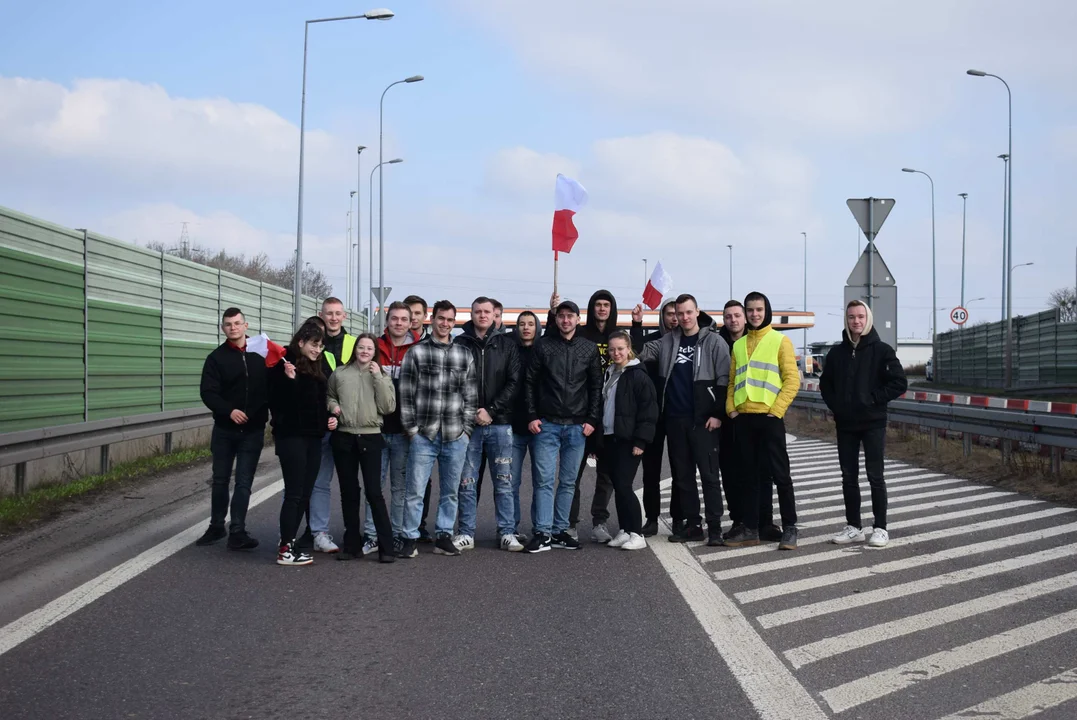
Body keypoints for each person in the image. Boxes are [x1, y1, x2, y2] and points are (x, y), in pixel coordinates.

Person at [635, 294, 729, 545]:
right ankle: (693, 525)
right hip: (675, 419)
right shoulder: (666, 341)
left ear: (697, 311)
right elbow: (639, 352)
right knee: (683, 477)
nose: (684, 317)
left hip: (704, 421)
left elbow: (724, 379)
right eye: (680, 313)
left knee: (709, 476)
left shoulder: (715, 342)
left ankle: (716, 528)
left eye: (689, 312)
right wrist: (636, 325)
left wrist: (717, 414)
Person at [820, 300, 907, 548]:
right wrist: (837, 406)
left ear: (867, 318)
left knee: (875, 476)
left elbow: (899, 382)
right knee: (848, 476)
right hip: (845, 424)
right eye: (851, 317)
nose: (856, 321)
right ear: (846, 320)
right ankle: (854, 527)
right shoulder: (837, 353)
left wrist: (872, 400)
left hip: (873, 423)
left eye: (860, 317)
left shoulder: (882, 351)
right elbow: (826, 385)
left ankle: (880, 528)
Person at [397, 300, 477, 559]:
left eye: (450, 320)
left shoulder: (464, 354)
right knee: (415, 490)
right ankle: (409, 537)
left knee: (451, 491)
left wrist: (466, 430)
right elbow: (406, 393)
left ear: (454, 323)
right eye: (441, 319)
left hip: (455, 434)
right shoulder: (417, 352)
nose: (445, 324)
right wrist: (411, 429)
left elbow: (470, 395)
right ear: (433, 319)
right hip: (424, 434)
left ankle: (444, 535)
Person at [525, 299, 603, 553]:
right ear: (556, 319)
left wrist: (592, 420)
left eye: (571, 316)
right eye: (562, 316)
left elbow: (595, 387)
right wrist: (532, 415)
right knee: (544, 481)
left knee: (569, 482)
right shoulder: (543, 346)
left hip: (577, 427)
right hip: (546, 424)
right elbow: (530, 383)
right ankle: (542, 532)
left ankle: (560, 531)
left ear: (578, 320)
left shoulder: (589, 349)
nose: (566, 320)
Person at [725, 291, 800, 550]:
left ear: (766, 310)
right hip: (744, 419)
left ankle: (790, 527)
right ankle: (751, 528)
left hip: (770, 419)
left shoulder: (780, 340)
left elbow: (792, 380)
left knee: (781, 476)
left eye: (759, 309)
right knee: (749, 477)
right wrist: (731, 409)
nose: (754, 314)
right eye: (750, 310)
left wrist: (776, 411)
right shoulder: (737, 345)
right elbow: (733, 381)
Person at [548, 289, 619, 541]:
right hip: (581, 414)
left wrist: (637, 324)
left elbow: (635, 354)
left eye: (606, 305)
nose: (602, 309)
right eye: (598, 304)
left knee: (606, 473)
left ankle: (599, 522)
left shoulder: (617, 336)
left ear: (611, 309)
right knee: (572, 474)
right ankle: (569, 523)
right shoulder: (581, 335)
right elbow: (554, 340)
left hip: (609, 413)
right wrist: (552, 312)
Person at [196, 307, 268, 550]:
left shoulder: (261, 354)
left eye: (237, 323)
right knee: (220, 479)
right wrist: (229, 410)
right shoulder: (216, 359)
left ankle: (237, 530)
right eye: (228, 324)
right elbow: (208, 392)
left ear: (246, 326)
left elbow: (273, 387)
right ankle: (216, 526)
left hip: (253, 430)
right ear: (222, 328)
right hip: (225, 430)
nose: (233, 327)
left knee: (244, 481)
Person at [455, 297, 522, 552]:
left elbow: (514, 382)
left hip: (500, 425)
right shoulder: (459, 343)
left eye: (487, 312)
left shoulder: (507, 344)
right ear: (471, 314)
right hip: (469, 426)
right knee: (467, 482)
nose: (482, 315)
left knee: (504, 481)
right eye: (477, 311)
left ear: (495, 315)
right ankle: (465, 533)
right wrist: (472, 412)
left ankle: (507, 532)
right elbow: (453, 382)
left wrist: (491, 411)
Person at [269, 321, 337, 566]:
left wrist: (330, 419)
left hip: (313, 439)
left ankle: (290, 542)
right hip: (291, 438)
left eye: (320, 345)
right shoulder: (283, 366)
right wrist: (289, 381)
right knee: (294, 493)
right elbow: (279, 405)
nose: (317, 349)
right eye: (313, 344)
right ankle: (285, 548)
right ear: (301, 342)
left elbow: (318, 405)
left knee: (305, 494)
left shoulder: (317, 370)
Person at [327, 333, 397, 562]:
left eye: (369, 348)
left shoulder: (382, 375)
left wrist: (378, 377)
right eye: (361, 347)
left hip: (371, 437)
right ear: (354, 349)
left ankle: (387, 548)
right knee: (348, 492)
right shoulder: (340, 373)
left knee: (374, 493)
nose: (364, 351)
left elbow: (388, 407)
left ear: (374, 351)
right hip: (344, 436)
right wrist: (334, 406)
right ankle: (351, 545)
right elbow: (330, 396)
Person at [717, 300, 780, 541]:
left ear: (745, 318)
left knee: (763, 472)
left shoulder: (758, 341)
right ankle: (739, 521)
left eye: (737, 315)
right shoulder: (718, 342)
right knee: (732, 473)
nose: (733, 320)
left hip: (758, 418)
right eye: (728, 316)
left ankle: (765, 522)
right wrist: (727, 411)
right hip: (729, 419)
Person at [300, 297, 356, 555]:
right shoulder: (312, 346)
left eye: (337, 314)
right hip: (320, 425)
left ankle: (353, 533)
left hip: (351, 425)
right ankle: (318, 533)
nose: (333, 318)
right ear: (320, 315)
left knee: (351, 483)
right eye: (329, 314)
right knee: (319, 482)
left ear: (344, 316)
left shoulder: (355, 344)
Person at [600, 331, 658, 551]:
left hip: (629, 439)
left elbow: (649, 411)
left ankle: (637, 533)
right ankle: (625, 529)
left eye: (620, 349)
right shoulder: (610, 372)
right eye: (612, 349)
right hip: (610, 437)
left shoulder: (638, 375)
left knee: (624, 485)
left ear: (629, 348)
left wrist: (641, 441)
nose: (616, 353)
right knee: (617, 484)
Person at [374, 302, 422, 554]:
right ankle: (372, 535)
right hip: (376, 430)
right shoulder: (373, 347)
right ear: (387, 321)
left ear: (410, 322)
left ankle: (395, 534)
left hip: (404, 432)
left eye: (404, 319)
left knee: (400, 488)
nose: (399, 323)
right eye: (395, 319)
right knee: (375, 487)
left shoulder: (418, 350)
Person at [629, 298, 678, 536]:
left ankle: (680, 519)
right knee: (651, 471)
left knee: (681, 469)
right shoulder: (651, 342)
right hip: (653, 416)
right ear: (662, 316)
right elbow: (635, 352)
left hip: (680, 414)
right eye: (669, 313)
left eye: (677, 313)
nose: (674, 318)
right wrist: (637, 325)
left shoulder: (689, 344)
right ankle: (651, 519)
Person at [509, 310, 541, 540]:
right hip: (512, 425)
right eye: (522, 324)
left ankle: (540, 527)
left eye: (530, 324)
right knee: (511, 481)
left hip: (540, 425)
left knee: (541, 482)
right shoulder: (509, 351)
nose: (526, 327)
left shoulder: (544, 350)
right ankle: (511, 527)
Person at [403, 294, 433, 540]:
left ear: (425, 316)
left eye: (417, 313)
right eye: (408, 313)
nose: (413, 318)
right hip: (393, 421)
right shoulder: (389, 341)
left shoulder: (433, 343)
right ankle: (396, 525)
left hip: (424, 423)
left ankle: (419, 525)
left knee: (422, 479)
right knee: (396, 479)